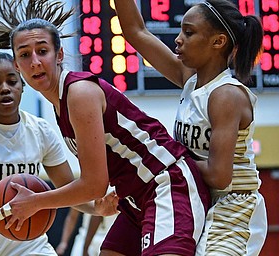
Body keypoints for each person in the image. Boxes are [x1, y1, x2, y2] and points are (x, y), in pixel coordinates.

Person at [0, 1, 211, 255]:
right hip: (135, 197)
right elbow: (88, 187)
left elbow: (94, 184)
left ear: (59, 55)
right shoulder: (59, 104)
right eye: (25, 55)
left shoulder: (79, 92)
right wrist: (93, 208)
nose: (35, 62)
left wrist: (35, 202)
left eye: (43, 51)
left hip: (166, 183)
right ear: (17, 65)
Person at [112, 0, 267, 255]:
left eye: (189, 32)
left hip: (232, 206)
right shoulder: (190, 79)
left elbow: (219, 176)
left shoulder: (226, 95)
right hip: (195, 196)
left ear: (218, 42)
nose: (178, 39)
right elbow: (136, 32)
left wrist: (164, 158)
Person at [0, 52, 74, 256]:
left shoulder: (40, 131)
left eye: (12, 81)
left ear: (22, 86)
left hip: (26, 240)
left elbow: (69, 189)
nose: (5, 88)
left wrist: (98, 208)